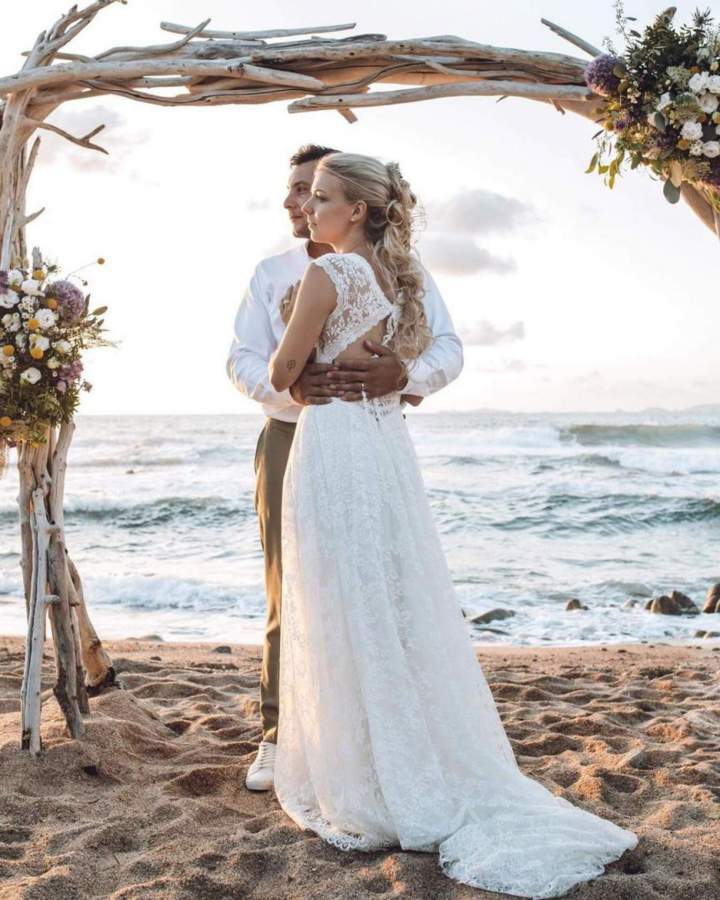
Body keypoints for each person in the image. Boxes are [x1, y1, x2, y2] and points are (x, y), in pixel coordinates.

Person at [268, 151, 638, 898]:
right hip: (380, 447)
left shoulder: (327, 273)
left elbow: (280, 372)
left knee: (344, 601)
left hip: (338, 443)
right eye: (309, 195)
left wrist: (299, 356)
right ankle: (402, 757)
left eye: (323, 197)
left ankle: (370, 776)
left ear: (361, 210)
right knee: (387, 598)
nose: (309, 206)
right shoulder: (391, 276)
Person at [226, 145, 463, 791]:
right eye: (297, 190)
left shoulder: (401, 271)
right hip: (289, 437)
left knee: (373, 585)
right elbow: (243, 359)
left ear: (353, 204)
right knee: (291, 589)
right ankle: (280, 736)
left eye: (312, 189)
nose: (298, 201)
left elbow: (449, 347)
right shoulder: (272, 271)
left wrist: (406, 373)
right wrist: (292, 392)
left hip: (362, 439)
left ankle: (376, 733)